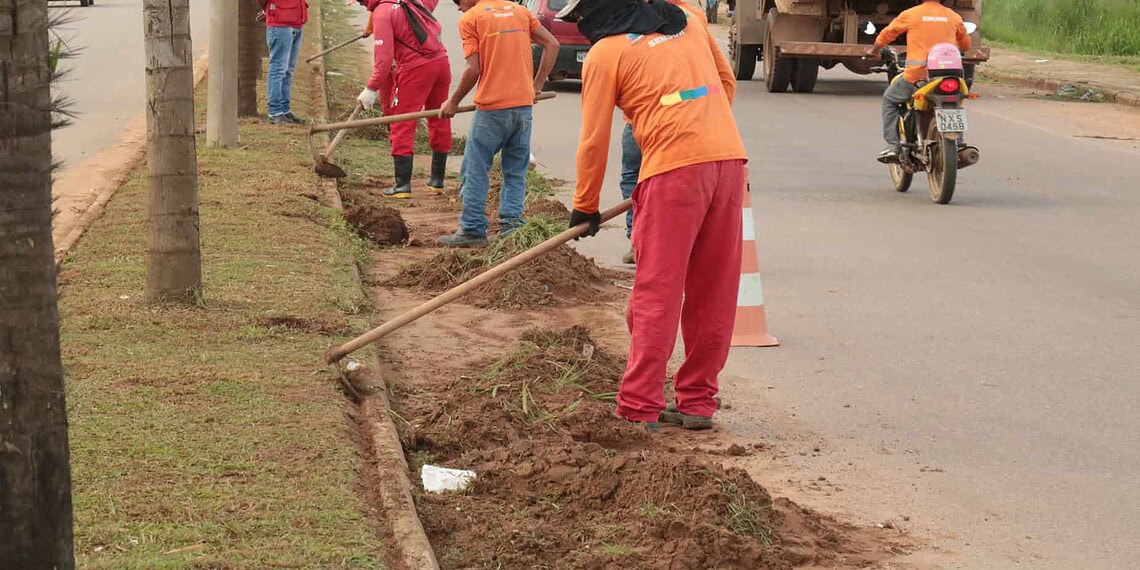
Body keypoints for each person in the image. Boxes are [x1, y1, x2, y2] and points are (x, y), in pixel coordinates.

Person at [558, 0, 746, 431]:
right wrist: (703, 134)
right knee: (713, 289)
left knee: (656, 292)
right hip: (729, 161)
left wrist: (585, 207)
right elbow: (726, 85)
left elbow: (593, 140)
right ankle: (698, 400)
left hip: (674, 172)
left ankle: (639, 404)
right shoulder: (690, 22)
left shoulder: (606, 54)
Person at [436, 0, 560, 247]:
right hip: (523, 108)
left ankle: (472, 229)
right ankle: (511, 226)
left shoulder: (472, 18)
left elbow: (473, 69)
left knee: (475, 169)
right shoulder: (520, 11)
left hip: (492, 110)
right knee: (515, 170)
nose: (459, 8)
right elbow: (552, 44)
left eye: (459, 2)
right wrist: (536, 85)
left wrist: (453, 101)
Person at [616, 0, 716, 265]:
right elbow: (718, 77)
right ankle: (676, 244)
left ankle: (637, 242)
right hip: (684, 121)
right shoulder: (693, 17)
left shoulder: (627, 17)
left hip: (640, 121)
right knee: (673, 186)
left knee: (635, 183)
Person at [356, 0, 452, 198]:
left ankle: (402, 185)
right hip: (441, 63)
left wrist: (371, 88)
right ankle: (437, 180)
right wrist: (370, 27)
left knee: (402, 121)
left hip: (415, 70)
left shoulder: (382, 13)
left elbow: (383, 60)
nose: (361, 4)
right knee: (440, 117)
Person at [869, 0, 970, 163]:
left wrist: (874, 50)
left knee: (889, 99)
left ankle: (894, 146)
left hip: (917, 78)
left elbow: (888, 33)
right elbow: (965, 44)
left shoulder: (912, 14)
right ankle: (958, 145)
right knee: (954, 104)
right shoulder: (953, 16)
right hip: (950, 78)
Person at [258, 0, 309, 125]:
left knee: (288, 71)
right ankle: (275, 112)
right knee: (278, 69)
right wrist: (270, 9)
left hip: (297, 21)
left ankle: (284, 110)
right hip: (280, 23)